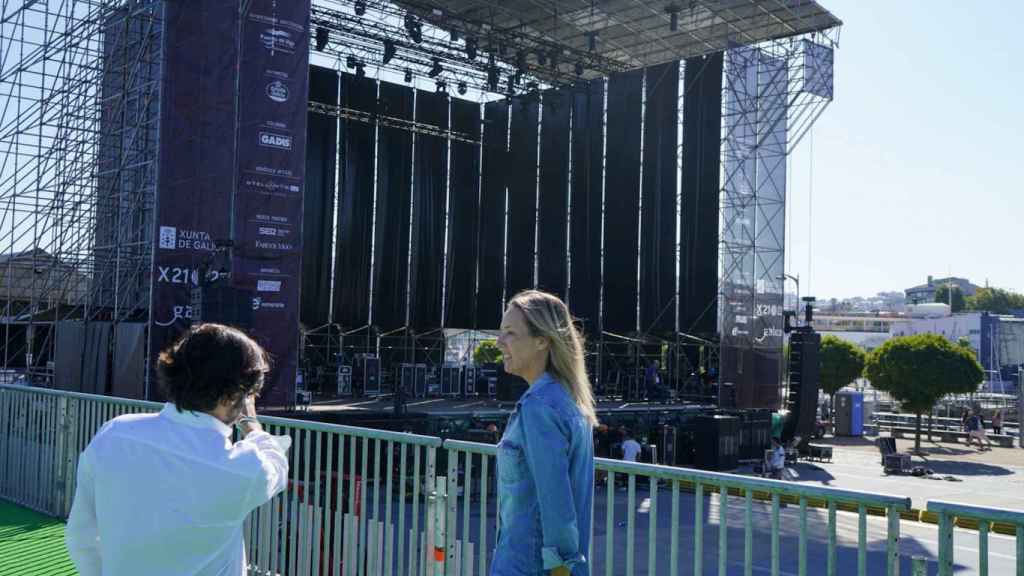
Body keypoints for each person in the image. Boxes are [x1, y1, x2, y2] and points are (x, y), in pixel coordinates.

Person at [65, 324, 291, 576]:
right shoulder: (243, 470)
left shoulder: (115, 433)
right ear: (231, 395)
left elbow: (81, 537)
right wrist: (251, 425)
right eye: (250, 392)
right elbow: (276, 465)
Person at [492, 290, 597, 576]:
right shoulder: (566, 401)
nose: (499, 342)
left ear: (542, 340)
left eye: (510, 333)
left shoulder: (539, 408)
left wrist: (561, 571)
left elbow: (558, 508)